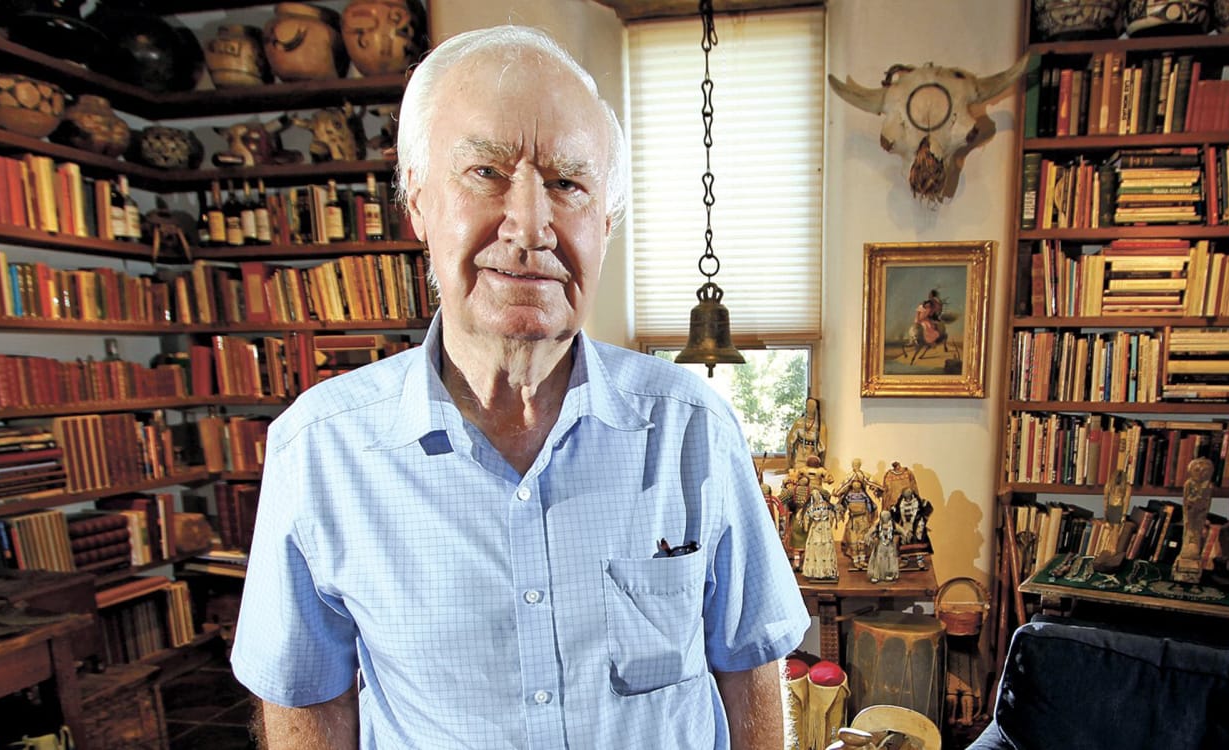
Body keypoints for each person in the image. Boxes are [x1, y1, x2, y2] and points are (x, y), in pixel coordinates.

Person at [230, 25, 809, 750]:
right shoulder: (318, 455)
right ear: (417, 202)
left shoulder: (693, 430)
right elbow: (307, 705)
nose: (531, 226)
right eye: (487, 172)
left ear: (604, 220)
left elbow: (750, 666)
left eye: (568, 184)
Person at [785, 396, 826, 470]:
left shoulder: (820, 425)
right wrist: (790, 459)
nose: (810, 408)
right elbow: (790, 441)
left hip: (813, 456)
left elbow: (822, 445)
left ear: (816, 408)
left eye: (812, 406)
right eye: (808, 405)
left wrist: (816, 453)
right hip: (800, 454)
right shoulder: (799, 422)